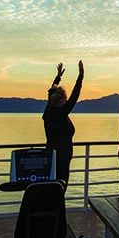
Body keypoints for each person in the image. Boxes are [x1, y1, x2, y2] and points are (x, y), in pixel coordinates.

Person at [43, 60, 84, 188]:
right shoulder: (60, 114)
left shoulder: (48, 111)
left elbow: (51, 93)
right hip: (62, 158)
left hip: (50, 155)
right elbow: (74, 96)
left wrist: (58, 77)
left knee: (50, 187)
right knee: (59, 188)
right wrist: (80, 76)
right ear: (62, 100)